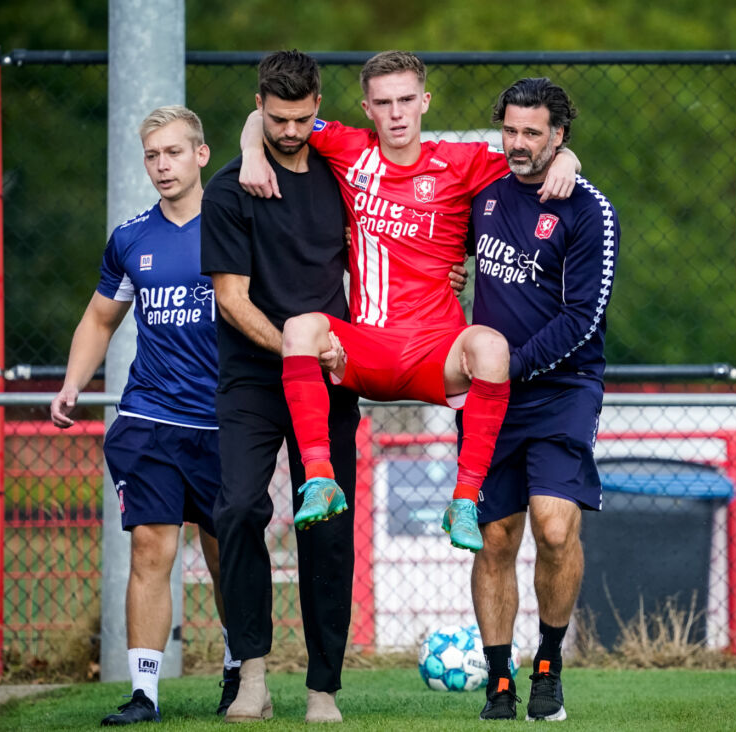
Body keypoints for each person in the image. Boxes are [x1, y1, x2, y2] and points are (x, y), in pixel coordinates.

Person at [238, 51, 580, 554]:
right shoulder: (346, 147)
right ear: (366, 108)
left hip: (434, 355)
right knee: (299, 329)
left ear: (424, 101)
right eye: (382, 102)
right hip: (364, 349)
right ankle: (318, 478)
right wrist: (250, 151)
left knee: (491, 346)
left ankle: (465, 499)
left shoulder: (461, 163)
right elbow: (267, 115)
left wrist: (569, 158)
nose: (395, 113)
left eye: (404, 100)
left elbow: (533, 158)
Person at [50, 105, 239, 725]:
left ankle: (240, 672)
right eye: (153, 156)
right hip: (150, 418)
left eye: (174, 153)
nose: (162, 166)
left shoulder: (238, 227)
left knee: (225, 556)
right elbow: (100, 318)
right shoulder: (131, 238)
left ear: (201, 155)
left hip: (225, 424)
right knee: (152, 550)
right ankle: (145, 693)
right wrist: (74, 384)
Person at [200, 51, 360, 724]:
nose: (290, 130)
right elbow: (232, 300)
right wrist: (296, 344)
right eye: (276, 118)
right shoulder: (231, 188)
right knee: (236, 511)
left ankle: (322, 688)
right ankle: (253, 677)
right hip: (253, 376)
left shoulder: (339, 170)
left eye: (302, 117)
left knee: (326, 528)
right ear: (258, 103)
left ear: (318, 101)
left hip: (329, 378)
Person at [465, 78, 618, 722]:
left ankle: (549, 665)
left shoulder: (590, 210)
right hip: (491, 398)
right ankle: (499, 679)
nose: (519, 143)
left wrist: (512, 367)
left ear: (560, 136)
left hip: (561, 388)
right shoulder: (481, 191)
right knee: (495, 539)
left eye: (534, 132)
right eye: (510, 130)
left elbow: (583, 316)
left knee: (555, 527)